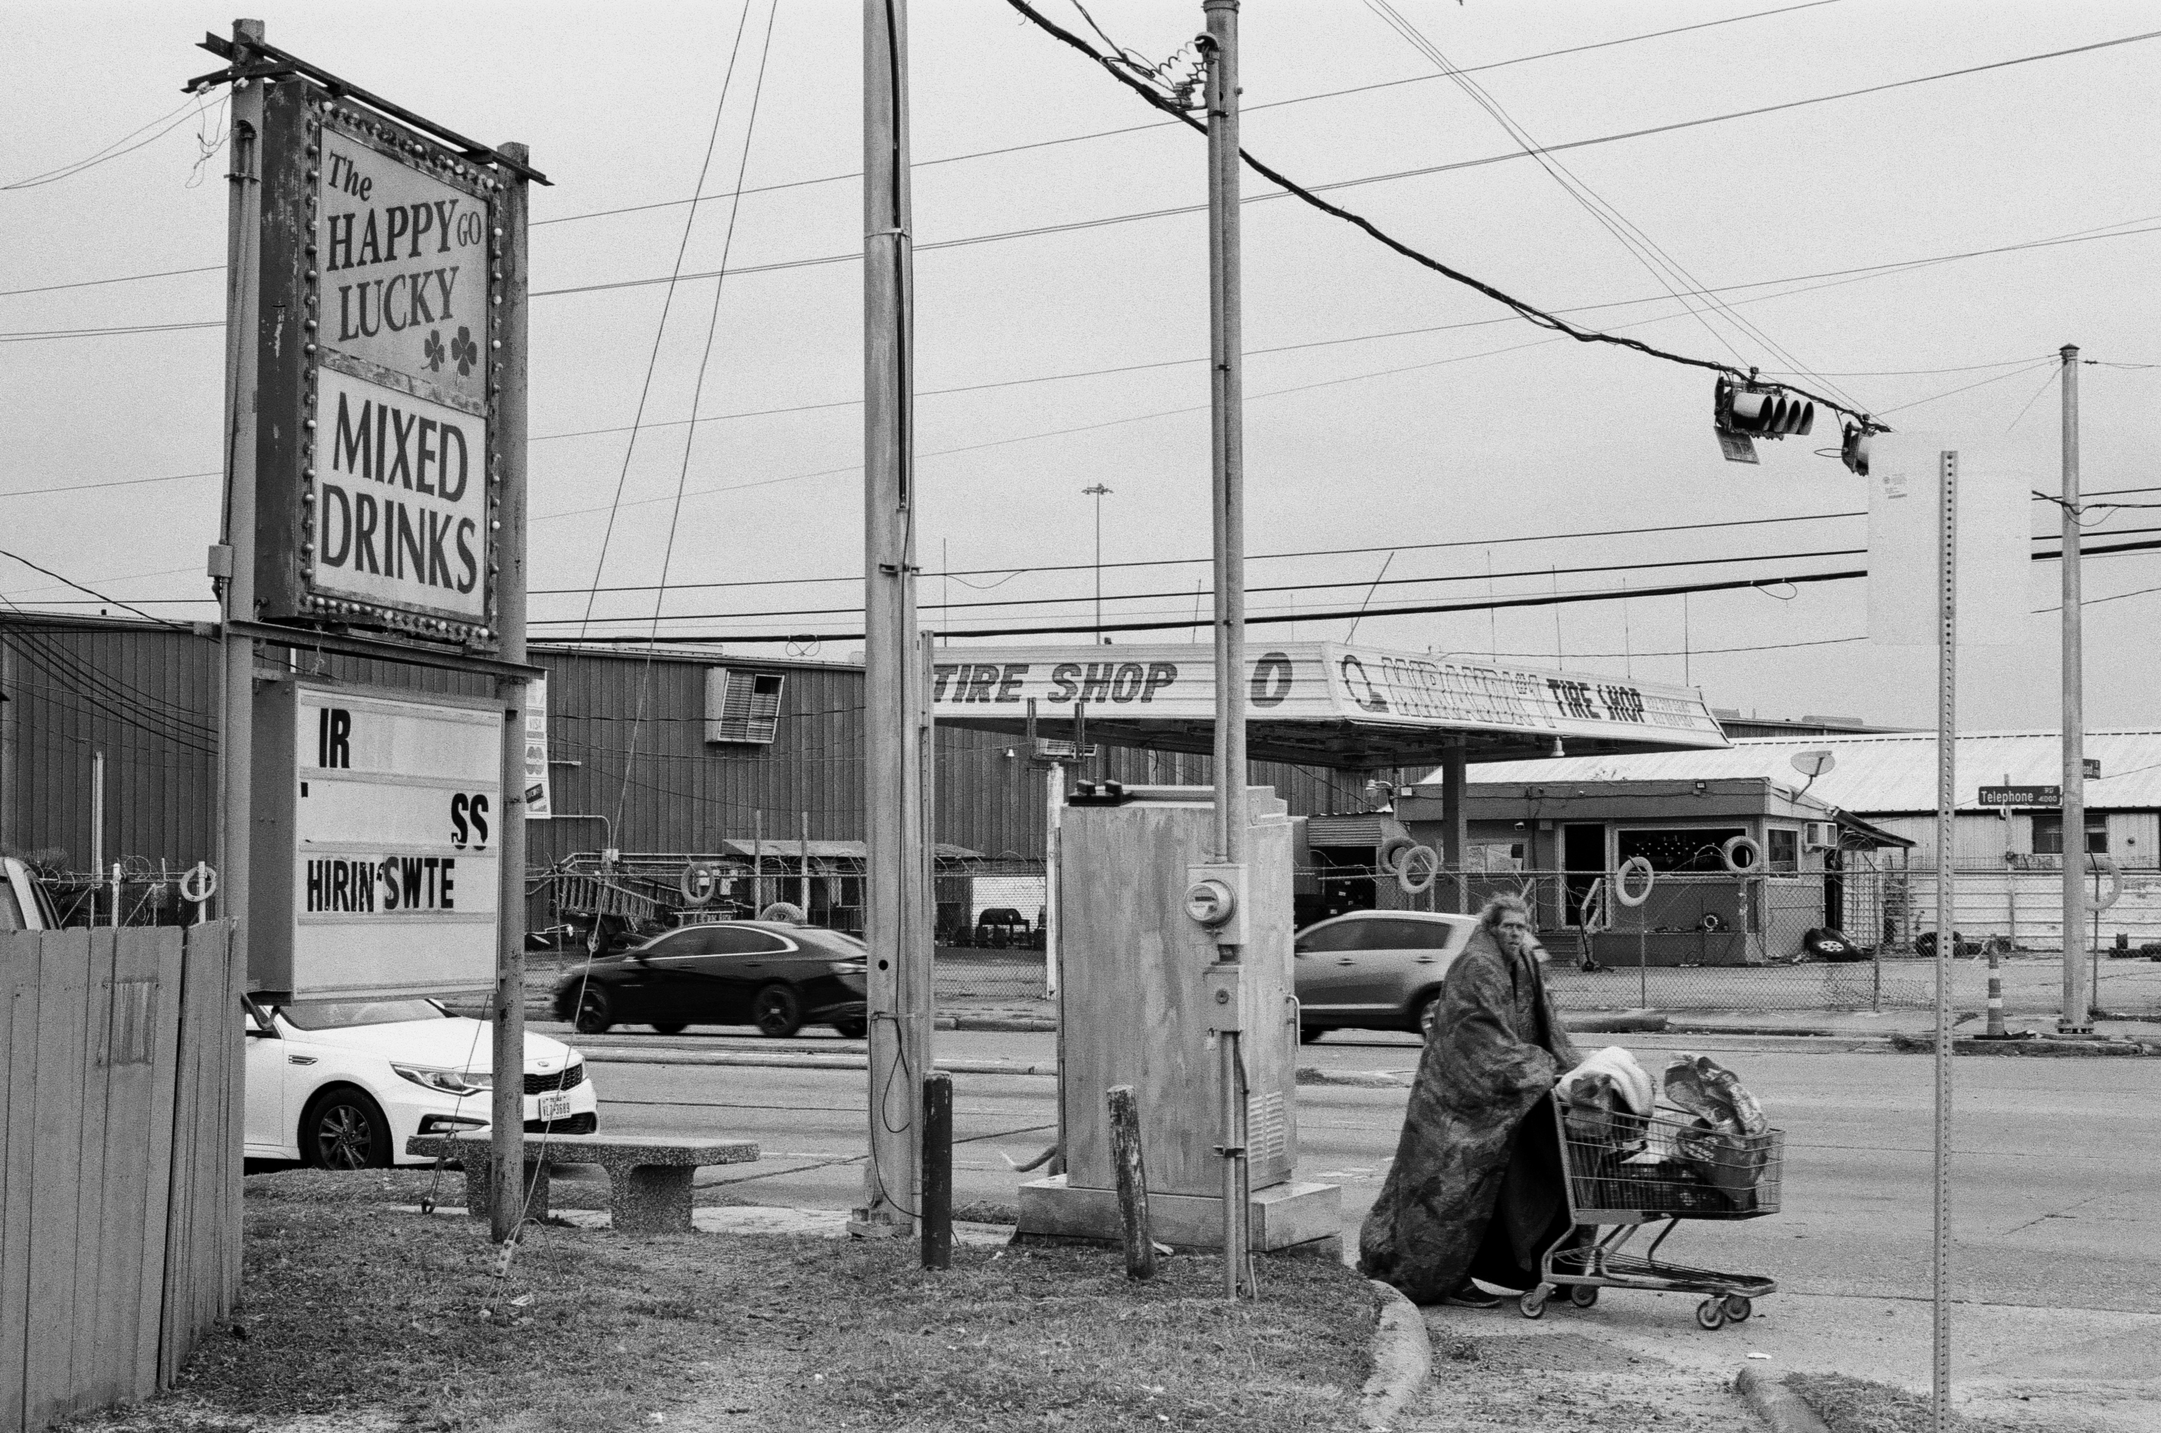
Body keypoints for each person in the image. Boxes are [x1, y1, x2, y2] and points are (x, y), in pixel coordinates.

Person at [1358, 893, 1583, 1307]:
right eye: (1507, 927)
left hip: (1502, 1097)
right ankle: (1437, 1278)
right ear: (1491, 928)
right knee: (1448, 1191)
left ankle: (1548, 1269)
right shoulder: (1476, 966)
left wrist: (1567, 1068)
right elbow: (1476, 1036)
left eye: (1522, 926)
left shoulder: (1523, 962)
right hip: (1454, 1102)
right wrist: (1537, 1068)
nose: (1516, 934)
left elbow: (1541, 1021)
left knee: (1509, 1185)